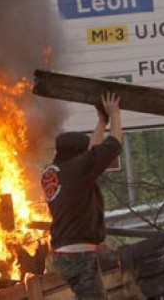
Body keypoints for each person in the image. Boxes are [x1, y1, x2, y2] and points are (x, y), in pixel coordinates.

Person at [40, 92, 122, 300]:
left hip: (64, 254)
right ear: (77, 155)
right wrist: (115, 114)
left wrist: (102, 121)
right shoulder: (77, 172)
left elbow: (90, 153)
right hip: (78, 256)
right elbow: (113, 145)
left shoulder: (53, 173)